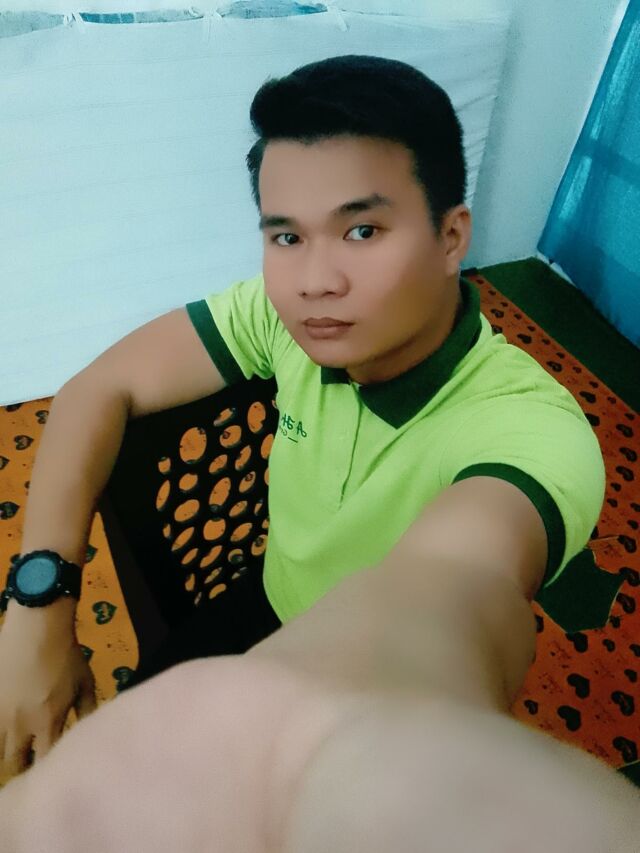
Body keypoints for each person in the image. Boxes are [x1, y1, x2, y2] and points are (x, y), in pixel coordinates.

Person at [0, 53, 628, 845]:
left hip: (386, 695)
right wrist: (38, 608)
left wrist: (322, 740)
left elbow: (456, 583)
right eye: (287, 236)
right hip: (261, 599)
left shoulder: (533, 433)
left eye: (362, 230)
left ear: (451, 237)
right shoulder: (281, 318)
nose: (315, 280)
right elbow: (98, 387)